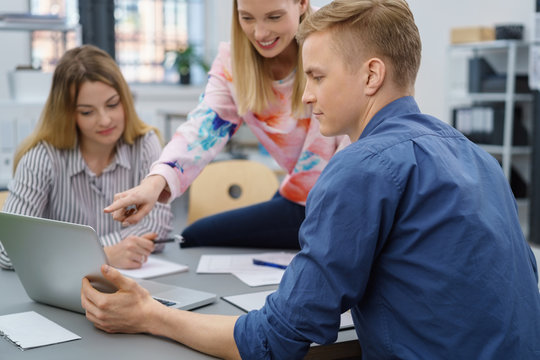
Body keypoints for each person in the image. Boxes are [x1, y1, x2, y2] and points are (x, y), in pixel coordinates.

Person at [81, 0, 540, 358]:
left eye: (317, 76)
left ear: (372, 75)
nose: (305, 93)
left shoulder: (361, 168)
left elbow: (273, 342)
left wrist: (150, 314)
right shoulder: (478, 158)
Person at [103, 0, 349, 250]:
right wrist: (153, 184)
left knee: (197, 237)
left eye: (274, 17)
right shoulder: (233, 63)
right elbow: (203, 127)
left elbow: (359, 137)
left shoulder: (338, 40)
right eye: (247, 18)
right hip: (301, 195)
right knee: (194, 236)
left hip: (342, 199)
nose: (260, 33)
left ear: (302, 3)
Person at [0, 45, 173, 271]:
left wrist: (72, 253)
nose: (105, 120)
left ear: (126, 100)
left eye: (112, 104)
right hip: (61, 290)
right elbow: (9, 252)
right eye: (87, 112)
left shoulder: (145, 144)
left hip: (137, 285)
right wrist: (103, 255)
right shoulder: (42, 157)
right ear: (68, 114)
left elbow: (156, 226)